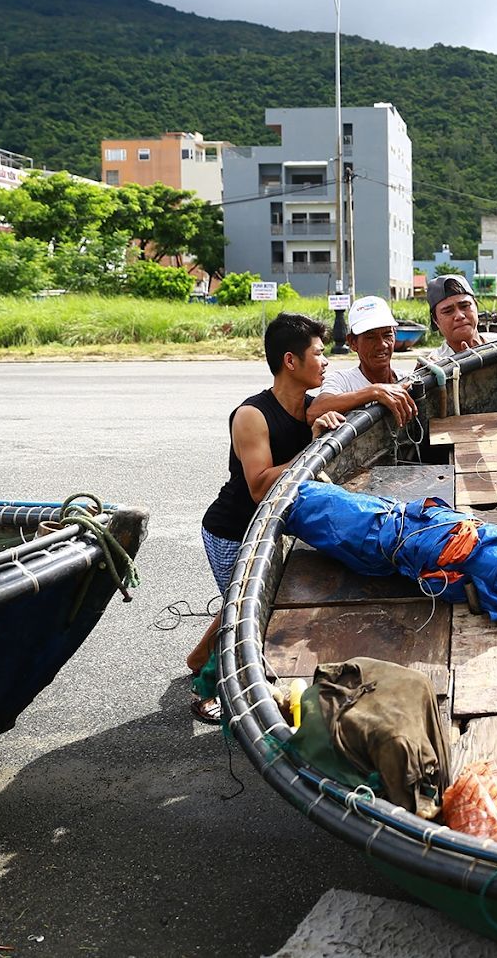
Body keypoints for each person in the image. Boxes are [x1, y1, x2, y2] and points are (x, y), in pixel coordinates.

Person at [191, 313, 347, 722]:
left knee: (240, 604)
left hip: (273, 528)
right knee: (247, 615)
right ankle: (207, 688)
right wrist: (312, 449)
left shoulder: (310, 407)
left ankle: (196, 658)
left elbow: (346, 403)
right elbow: (260, 485)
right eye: (318, 353)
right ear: (291, 361)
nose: (326, 360)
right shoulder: (251, 415)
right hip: (231, 532)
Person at [307, 296, 417, 426]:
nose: (382, 345)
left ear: (395, 336)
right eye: (371, 337)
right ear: (353, 342)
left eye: (387, 335)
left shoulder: (407, 379)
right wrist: (374, 392)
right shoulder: (342, 381)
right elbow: (313, 413)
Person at [427, 273, 497, 361]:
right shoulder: (436, 364)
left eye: (465, 306)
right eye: (448, 311)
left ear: (476, 307)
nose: (459, 316)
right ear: (435, 320)